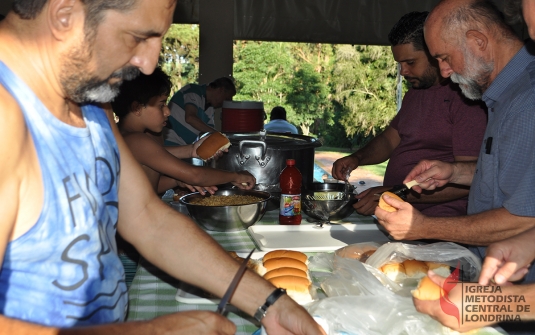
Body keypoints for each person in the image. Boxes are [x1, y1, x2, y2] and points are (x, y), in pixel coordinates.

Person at [0, 1, 326, 334]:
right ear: (64, 15)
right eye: (137, 37)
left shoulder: (88, 102)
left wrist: (270, 302)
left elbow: (145, 217)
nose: (147, 64)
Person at [374, 0, 535, 332]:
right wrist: (454, 171)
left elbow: (522, 217)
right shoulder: (503, 96)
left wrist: (423, 228)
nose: (444, 72)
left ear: (478, 41)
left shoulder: (527, 101)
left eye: (445, 58)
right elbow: (517, 179)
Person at [331, 11, 487, 217]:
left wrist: (394, 194)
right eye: (400, 64)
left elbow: (469, 180)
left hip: (437, 223)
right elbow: (390, 139)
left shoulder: (465, 98)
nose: (403, 71)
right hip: (399, 215)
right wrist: (357, 158)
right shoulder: (416, 92)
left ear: (435, 53)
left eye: (410, 62)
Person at [111, 67, 256, 195]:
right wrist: (235, 176)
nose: (168, 111)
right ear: (137, 108)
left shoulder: (127, 137)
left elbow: (152, 186)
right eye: (162, 105)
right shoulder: (138, 141)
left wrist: (177, 177)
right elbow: (195, 175)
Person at [163, 76, 236, 146]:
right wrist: (216, 134)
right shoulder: (194, 90)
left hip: (184, 147)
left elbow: (207, 132)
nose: (224, 103)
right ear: (221, 90)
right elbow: (190, 118)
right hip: (169, 142)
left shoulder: (210, 108)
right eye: (226, 99)